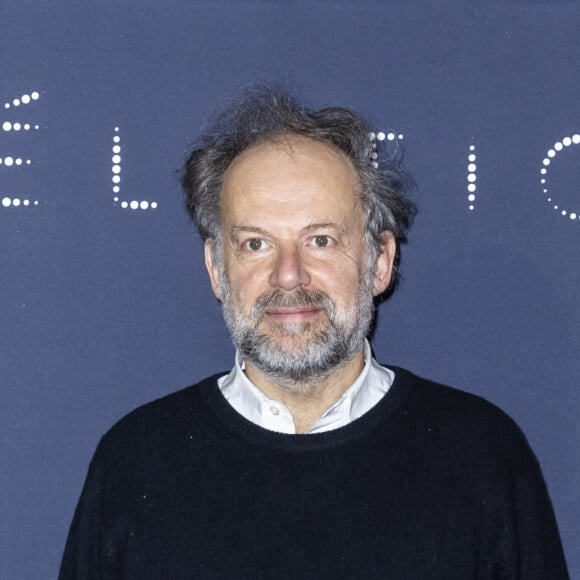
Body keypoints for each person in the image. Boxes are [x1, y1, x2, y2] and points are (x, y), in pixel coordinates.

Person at [59, 88, 569, 579]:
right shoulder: (135, 463)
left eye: (320, 240)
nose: (288, 275)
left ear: (379, 262)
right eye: (256, 243)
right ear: (217, 269)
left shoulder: (481, 456)